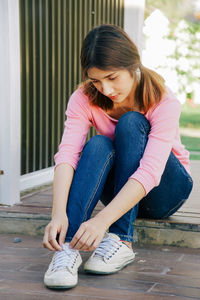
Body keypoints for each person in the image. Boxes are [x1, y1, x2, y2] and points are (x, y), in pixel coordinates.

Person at [42, 24, 193, 289]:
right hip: (122, 190)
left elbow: (150, 172)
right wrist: (57, 215)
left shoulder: (163, 101)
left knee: (131, 123)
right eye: (96, 81)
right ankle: (66, 248)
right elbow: (67, 155)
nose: (106, 89)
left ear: (133, 64)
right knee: (98, 144)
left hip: (164, 192)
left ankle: (121, 239)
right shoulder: (84, 99)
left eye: (112, 77)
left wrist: (101, 221)